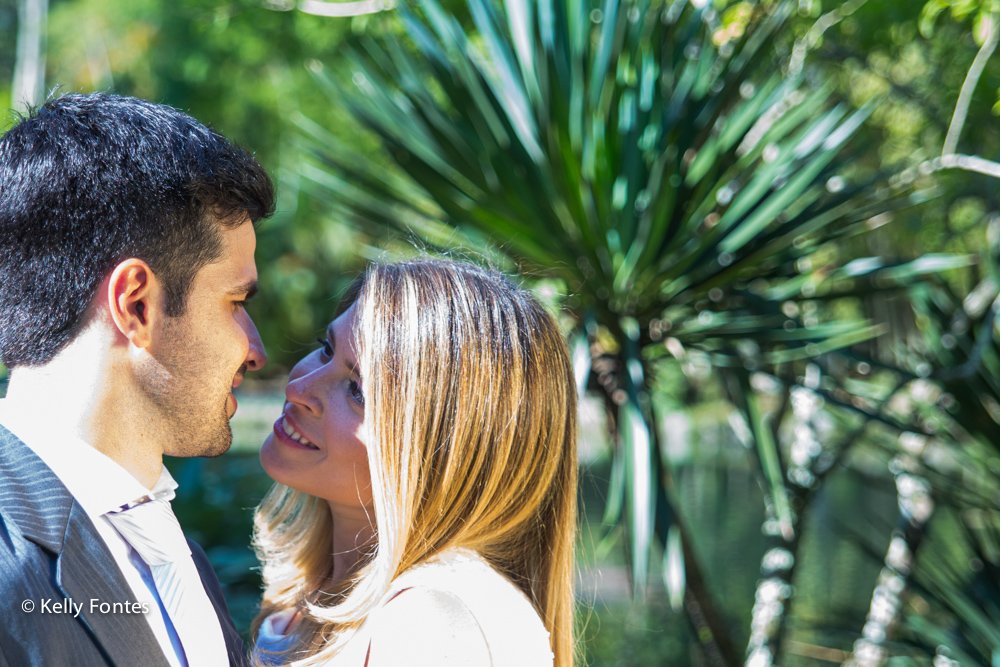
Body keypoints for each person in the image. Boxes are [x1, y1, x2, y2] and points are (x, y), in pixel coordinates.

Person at [0, 93, 274, 667]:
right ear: (137, 304)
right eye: (235, 302)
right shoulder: (8, 571)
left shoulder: (174, 551)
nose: (256, 350)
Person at [251, 259, 578, 667]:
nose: (299, 387)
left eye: (357, 390)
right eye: (326, 349)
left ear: (446, 452)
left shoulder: (433, 618)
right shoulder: (313, 599)